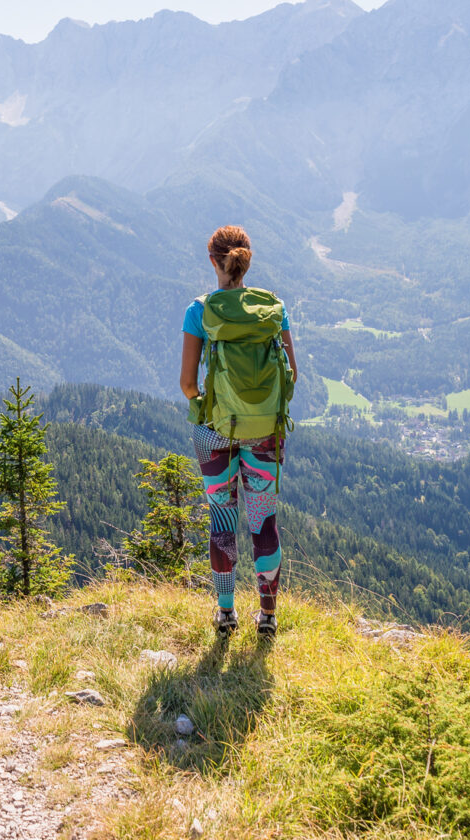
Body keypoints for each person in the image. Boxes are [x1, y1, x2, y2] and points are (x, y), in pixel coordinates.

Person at [179, 225, 298, 637]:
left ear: (213, 261)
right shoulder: (272, 308)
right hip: (265, 432)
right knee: (263, 524)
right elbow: (292, 375)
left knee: (222, 520)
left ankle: (226, 614)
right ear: (245, 261)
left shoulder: (200, 311)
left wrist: (206, 407)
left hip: (214, 433)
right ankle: (268, 617)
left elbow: (188, 384)